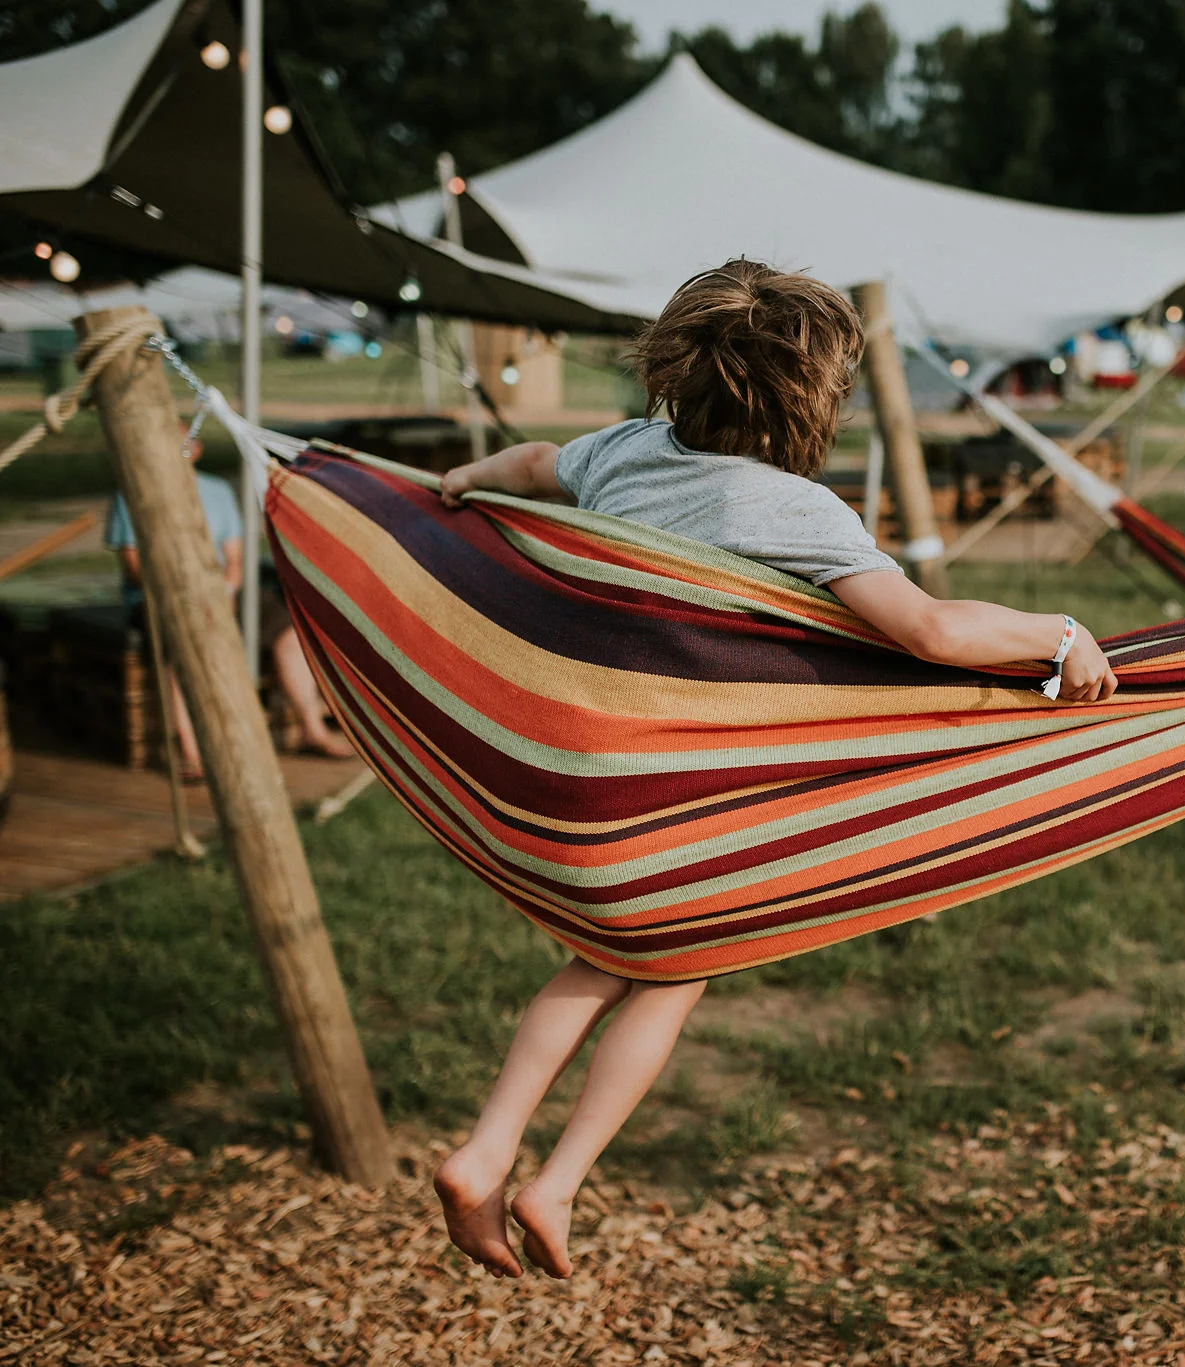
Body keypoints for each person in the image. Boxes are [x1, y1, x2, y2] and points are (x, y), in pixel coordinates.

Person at [428, 260, 1118, 1282]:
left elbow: (532, 463)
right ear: (812, 401)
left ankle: (491, 1146)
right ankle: (554, 1179)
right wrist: (1059, 633)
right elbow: (929, 630)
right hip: (675, 795)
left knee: (601, 956)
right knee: (678, 969)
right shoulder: (794, 512)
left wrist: (461, 480)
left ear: (675, 367)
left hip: (575, 772)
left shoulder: (623, 453)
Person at [106, 440, 355, 777]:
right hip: (160, 597)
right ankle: (190, 750)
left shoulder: (217, 491)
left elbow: (234, 558)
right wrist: (183, 595)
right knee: (181, 645)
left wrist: (226, 590)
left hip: (219, 589)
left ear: (196, 448)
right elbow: (134, 567)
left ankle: (313, 730)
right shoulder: (131, 496)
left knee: (287, 628)